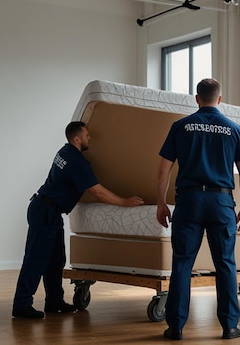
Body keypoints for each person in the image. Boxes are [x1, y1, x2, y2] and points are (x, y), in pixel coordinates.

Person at [12, 121, 144, 319]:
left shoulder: (64, 152)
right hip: (45, 210)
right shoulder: (76, 161)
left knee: (56, 260)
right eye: (87, 134)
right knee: (36, 259)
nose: (89, 137)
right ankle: (22, 305)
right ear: (77, 139)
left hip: (48, 209)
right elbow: (96, 191)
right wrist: (123, 202)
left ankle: (54, 302)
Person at [156, 78, 240, 340]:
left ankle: (175, 326)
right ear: (219, 100)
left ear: (197, 98)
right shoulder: (234, 129)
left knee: (182, 264)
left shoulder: (180, 127)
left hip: (188, 202)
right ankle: (229, 326)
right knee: (225, 264)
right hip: (221, 203)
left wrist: (161, 202)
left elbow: (164, 169)